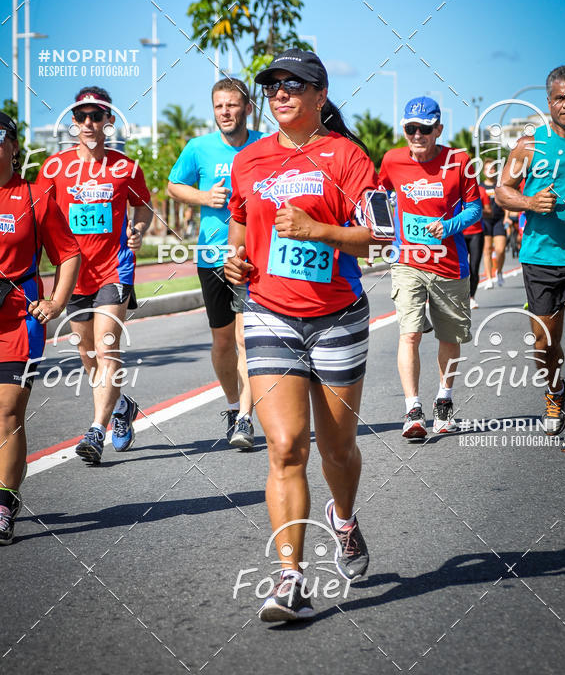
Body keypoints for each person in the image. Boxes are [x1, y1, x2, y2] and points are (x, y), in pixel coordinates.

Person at [225, 49, 383, 622]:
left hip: (338, 315)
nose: (281, 93)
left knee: (336, 448)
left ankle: (343, 519)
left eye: (295, 84)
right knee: (286, 446)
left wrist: (318, 229)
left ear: (320, 95)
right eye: (272, 86)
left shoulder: (348, 157)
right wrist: (234, 262)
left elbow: (379, 236)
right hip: (270, 313)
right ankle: (291, 578)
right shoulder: (249, 160)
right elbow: (239, 227)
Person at [37, 87, 152, 465]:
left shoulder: (125, 168)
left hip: (114, 270)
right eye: (82, 116)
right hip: (73, 276)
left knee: (106, 348)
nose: (89, 122)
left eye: (96, 115)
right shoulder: (53, 169)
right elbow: (37, 217)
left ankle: (96, 430)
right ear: (73, 121)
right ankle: (122, 406)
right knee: (88, 356)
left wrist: (138, 229)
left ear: (108, 120)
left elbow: (144, 207)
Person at [496, 64, 565, 454]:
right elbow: (502, 191)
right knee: (544, 342)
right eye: (560, 98)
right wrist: (528, 202)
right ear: (549, 101)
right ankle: (554, 390)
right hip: (540, 256)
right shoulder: (529, 145)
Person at [378, 96, 482, 440]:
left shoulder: (458, 160)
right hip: (408, 261)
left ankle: (444, 400)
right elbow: (376, 196)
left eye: (425, 129)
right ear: (404, 130)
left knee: (449, 336)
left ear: (438, 129)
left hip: (449, 263)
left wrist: (451, 225)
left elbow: (475, 208)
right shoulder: (392, 160)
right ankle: (412, 409)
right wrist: (375, 232)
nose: (417, 135)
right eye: (411, 129)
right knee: (408, 332)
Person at [167, 78, 262, 449]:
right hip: (211, 255)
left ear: (248, 108)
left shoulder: (263, 146)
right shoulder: (198, 148)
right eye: (220, 106)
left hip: (251, 256)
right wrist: (205, 196)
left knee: (243, 339)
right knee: (222, 341)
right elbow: (175, 186)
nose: (226, 112)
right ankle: (233, 405)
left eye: (233, 105)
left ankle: (245, 419)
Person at [0, 112, 80, 543]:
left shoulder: (34, 196)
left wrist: (57, 301)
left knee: (8, 411)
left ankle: (4, 501)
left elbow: (68, 253)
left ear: (13, 146)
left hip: (18, 323)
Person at [481, 158, 507, 289]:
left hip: (499, 220)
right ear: (483, 171)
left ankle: (499, 271)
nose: (490, 171)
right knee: (486, 250)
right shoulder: (480, 187)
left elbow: (506, 203)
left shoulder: (500, 185)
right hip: (485, 221)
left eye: (492, 168)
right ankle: (489, 278)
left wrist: (507, 217)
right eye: (487, 168)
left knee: (500, 250)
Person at [463, 184, 490, 309]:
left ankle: (471, 297)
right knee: (462, 268)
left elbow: (489, 211)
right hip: (459, 234)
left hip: (476, 234)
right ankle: (460, 297)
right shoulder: (455, 188)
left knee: (474, 267)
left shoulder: (481, 191)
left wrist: (476, 210)